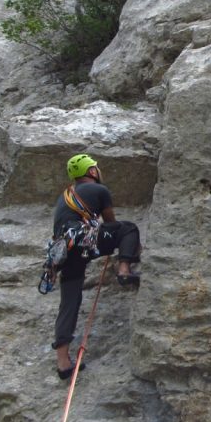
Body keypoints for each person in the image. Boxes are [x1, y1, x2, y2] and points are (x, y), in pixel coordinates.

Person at [52, 153, 142, 379]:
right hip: (84, 240)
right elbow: (111, 223)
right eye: (96, 168)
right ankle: (124, 270)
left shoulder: (64, 196)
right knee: (128, 228)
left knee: (69, 300)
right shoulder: (99, 190)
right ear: (91, 172)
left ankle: (63, 362)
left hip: (63, 250)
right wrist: (128, 249)